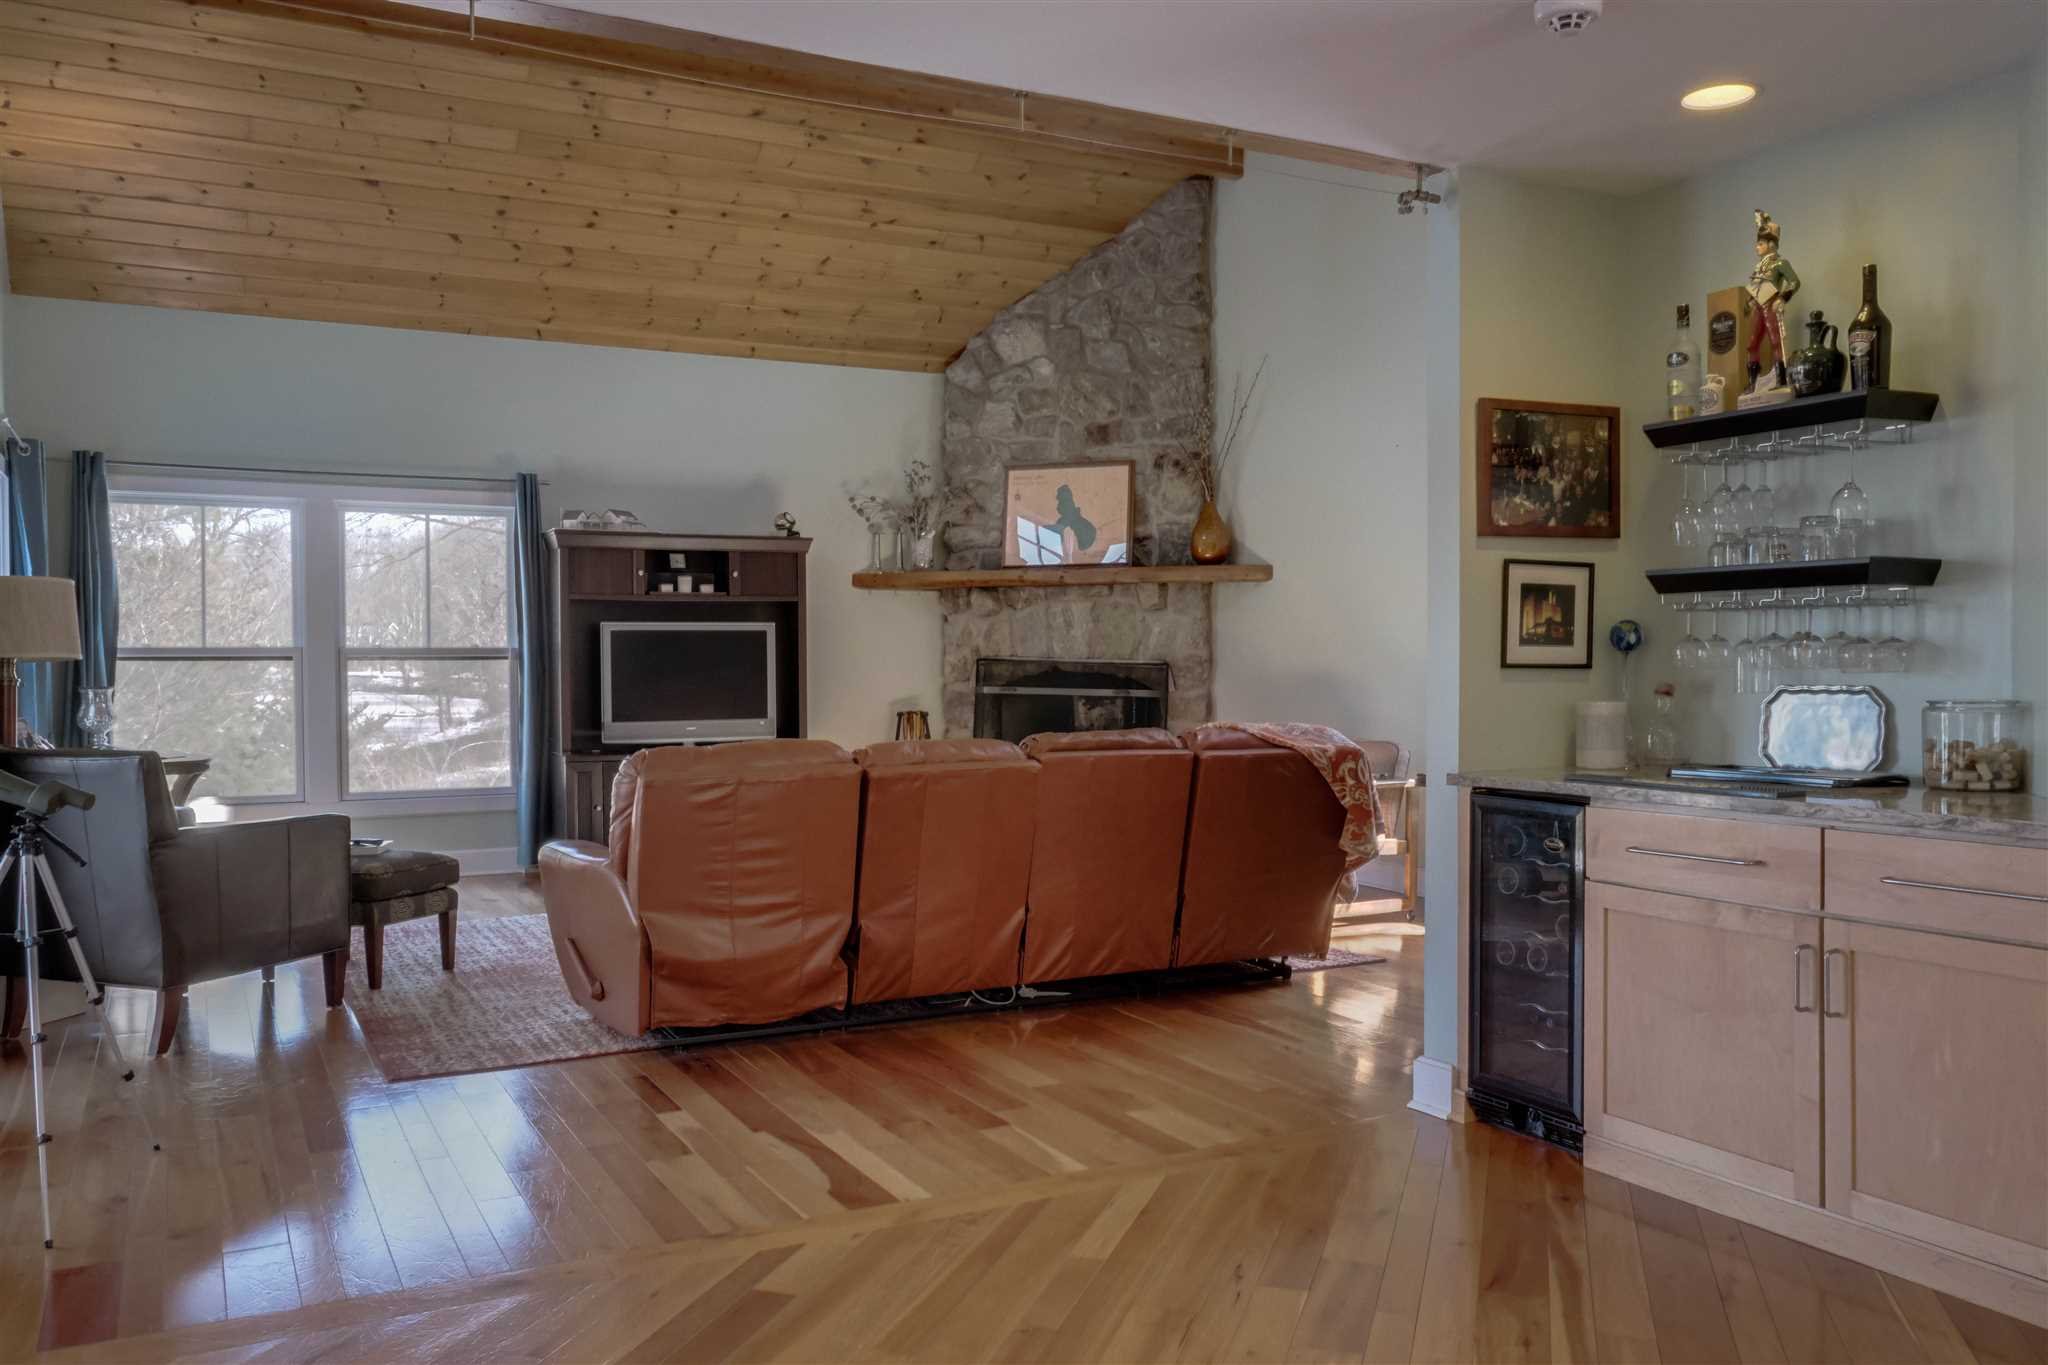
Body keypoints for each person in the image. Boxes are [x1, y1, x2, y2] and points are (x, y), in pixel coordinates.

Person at [1744, 210, 1800, 396]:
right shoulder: (1759, 267)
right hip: (1759, 307)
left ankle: (1781, 379)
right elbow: (1756, 287)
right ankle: (1752, 384)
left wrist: (1783, 298)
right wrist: (1750, 302)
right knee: (1752, 344)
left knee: (1777, 342)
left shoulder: (1780, 263)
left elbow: (1794, 282)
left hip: (1772, 305)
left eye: (1760, 244)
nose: (1757, 247)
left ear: (1771, 244)